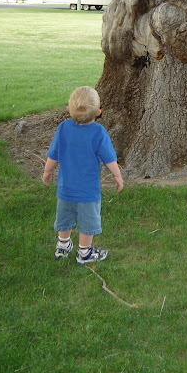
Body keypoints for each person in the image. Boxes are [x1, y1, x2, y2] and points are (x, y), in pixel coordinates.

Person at [43, 86, 124, 264]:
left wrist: (47, 171)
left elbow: (53, 154)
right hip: (87, 192)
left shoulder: (63, 128)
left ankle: (63, 246)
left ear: (68, 110)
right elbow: (109, 159)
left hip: (65, 189)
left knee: (64, 217)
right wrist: (117, 176)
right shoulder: (98, 133)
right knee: (88, 223)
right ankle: (85, 253)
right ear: (99, 112)